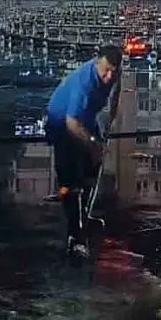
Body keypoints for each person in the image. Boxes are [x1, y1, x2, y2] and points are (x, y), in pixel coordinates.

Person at [44, 46, 122, 257]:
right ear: (97, 63)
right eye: (105, 71)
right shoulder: (83, 83)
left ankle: (84, 215)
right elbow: (71, 123)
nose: (109, 77)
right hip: (62, 122)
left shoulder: (114, 74)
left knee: (92, 169)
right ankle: (75, 236)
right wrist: (94, 144)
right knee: (72, 179)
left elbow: (115, 96)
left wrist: (109, 122)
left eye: (114, 72)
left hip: (86, 119)